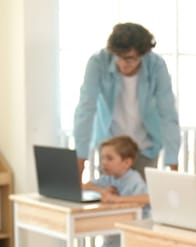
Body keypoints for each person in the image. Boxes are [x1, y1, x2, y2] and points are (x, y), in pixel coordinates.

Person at [73, 22, 181, 179]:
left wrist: (173, 164)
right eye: (119, 56)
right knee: (110, 195)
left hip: (146, 148)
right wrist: (80, 157)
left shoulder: (156, 66)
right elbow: (86, 109)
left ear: (143, 55)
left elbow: (168, 113)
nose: (123, 63)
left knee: (143, 198)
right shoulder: (98, 63)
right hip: (112, 149)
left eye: (130, 58)